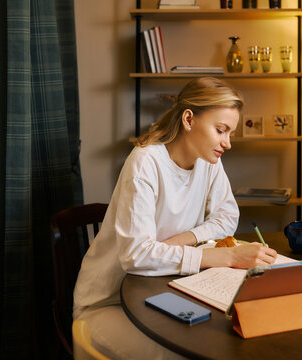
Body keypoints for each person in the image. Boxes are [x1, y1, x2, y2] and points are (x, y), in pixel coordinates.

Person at [73, 77, 278, 359]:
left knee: (223, 341)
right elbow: (135, 256)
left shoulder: (208, 160)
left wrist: (181, 240)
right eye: (221, 130)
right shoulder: (145, 162)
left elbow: (227, 216)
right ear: (189, 119)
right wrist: (227, 257)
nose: (227, 143)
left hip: (159, 294)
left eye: (229, 132)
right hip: (108, 304)